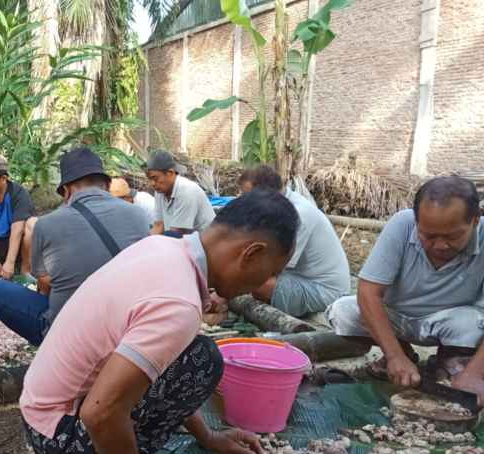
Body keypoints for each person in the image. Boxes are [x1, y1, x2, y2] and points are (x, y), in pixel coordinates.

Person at [20, 188, 300, 454]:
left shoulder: (163, 247)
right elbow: (101, 412)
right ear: (251, 254)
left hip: (41, 411)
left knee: (197, 355)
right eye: (272, 271)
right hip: (57, 433)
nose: (265, 283)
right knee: (203, 361)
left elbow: (165, 371)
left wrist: (209, 437)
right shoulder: (178, 304)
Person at [328, 176, 484, 399]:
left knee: (471, 324)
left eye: (452, 236)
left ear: (476, 220)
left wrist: (475, 374)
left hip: (450, 324)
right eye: (428, 236)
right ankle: (404, 354)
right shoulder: (402, 224)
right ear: (417, 220)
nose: (440, 246)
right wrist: (394, 355)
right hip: (396, 318)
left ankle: (451, 362)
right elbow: (369, 291)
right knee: (344, 311)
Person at [0, 147, 148, 346]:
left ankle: (49, 347)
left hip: (70, 336)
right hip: (127, 329)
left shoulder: (46, 224)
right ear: (107, 184)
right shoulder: (138, 215)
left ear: (67, 190)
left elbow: (44, 280)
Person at [238, 165, 350, 317]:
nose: (245, 203)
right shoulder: (275, 208)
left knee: (260, 284)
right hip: (299, 277)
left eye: (248, 197)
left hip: (325, 291)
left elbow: (272, 268)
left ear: (265, 194)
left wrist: (228, 289)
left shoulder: (298, 214)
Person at [146, 150, 215, 236]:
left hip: (204, 244)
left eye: (155, 178)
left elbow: (176, 234)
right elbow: (158, 226)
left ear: (170, 173)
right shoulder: (160, 192)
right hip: (181, 240)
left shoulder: (187, 191)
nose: (152, 183)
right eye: (150, 179)